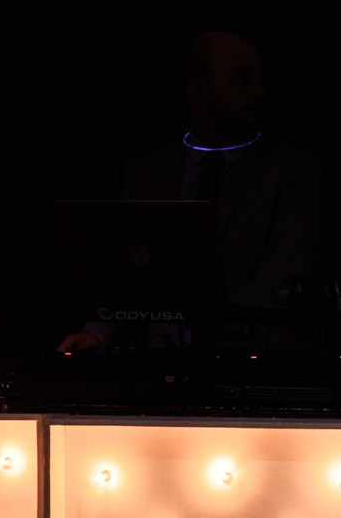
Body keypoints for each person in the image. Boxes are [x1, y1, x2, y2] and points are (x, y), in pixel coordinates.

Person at [121, 31, 324, 310]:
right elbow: (124, 275)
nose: (259, 91)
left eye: (259, 78)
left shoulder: (294, 172)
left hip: (254, 345)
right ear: (198, 93)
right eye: (242, 80)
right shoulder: (145, 174)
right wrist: (97, 332)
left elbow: (285, 271)